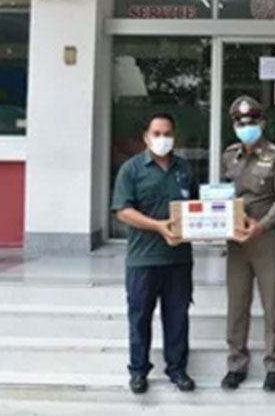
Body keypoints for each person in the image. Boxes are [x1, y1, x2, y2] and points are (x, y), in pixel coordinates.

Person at [111, 113, 197, 395]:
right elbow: (123, 211)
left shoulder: (185, 169)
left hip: (178, 260)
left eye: (167, 133)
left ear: (175, 137)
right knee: (140, 317)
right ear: (146, 137)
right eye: (157, 133)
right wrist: (158, 226)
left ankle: (177, 369)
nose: (163, 139)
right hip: (143, 260)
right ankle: (138, 371)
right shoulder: (131, 170)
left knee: (177, 316)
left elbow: (196, 210)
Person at [220, 95, 275, 392]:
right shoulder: (229, 155)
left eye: (251, 121)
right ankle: (236, 363)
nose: (246, 126)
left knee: (272, 303)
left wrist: (262, 225)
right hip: (237, 240)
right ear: (234, 124)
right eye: (240, 122)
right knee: (237, 304)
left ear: (261, 123)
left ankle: (274, 365)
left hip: (267, 237)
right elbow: (222, 195)